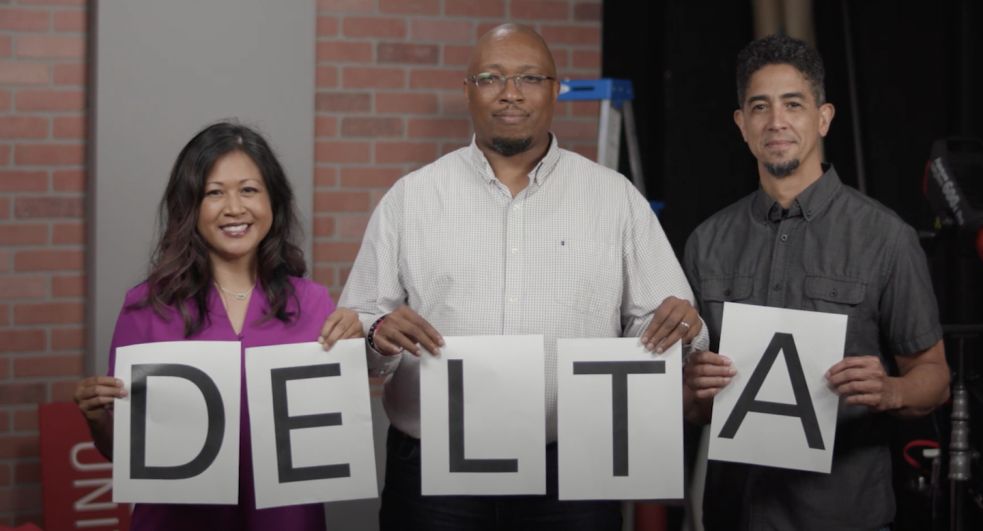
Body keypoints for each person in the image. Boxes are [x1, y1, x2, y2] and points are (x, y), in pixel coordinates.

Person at [316, 23, 708, 531]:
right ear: (466, 91)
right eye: (491, 78)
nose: (510, 93)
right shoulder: (410, 199)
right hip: (435, 474)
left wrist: (671, 330)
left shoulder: (615, 199)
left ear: (555, 89)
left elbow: (672, 329)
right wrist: (377, 335)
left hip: (573, 470)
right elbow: (360, 333)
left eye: (529, 78)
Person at [682, 35, 951, 531]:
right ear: (742, 124)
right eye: (759, 107)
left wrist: (890, 390)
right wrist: (693, 388)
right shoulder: (707, 242)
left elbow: (934, 376)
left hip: (842, 515)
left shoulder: (886, 238)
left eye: (793, 104)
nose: (776, 121)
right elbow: (695, 408)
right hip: (733, 513)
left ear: (823, 118)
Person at [72, 121, 364, 531]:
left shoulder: (313, 302)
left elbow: (331, 434)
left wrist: (357, 351)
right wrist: (97, 418)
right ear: (189, 207)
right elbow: (123, 451)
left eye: (249, 189)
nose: (234, 208)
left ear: (273, 201)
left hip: (286, 522)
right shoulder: (146, 307)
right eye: (214, 193)